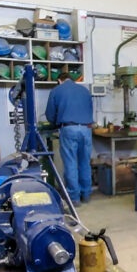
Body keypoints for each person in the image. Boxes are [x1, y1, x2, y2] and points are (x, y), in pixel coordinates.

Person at [45, 72, 94, 204]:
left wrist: (55, 122)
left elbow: (50, 115)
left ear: (59, 80)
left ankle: (74, 198)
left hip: (69, 129)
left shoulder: (56, 90)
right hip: (86, 129)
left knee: (70, 163)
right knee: (85, 163)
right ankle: (86, 195)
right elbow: (90, 110)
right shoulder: (85, 90)